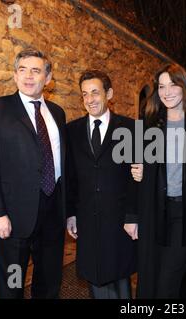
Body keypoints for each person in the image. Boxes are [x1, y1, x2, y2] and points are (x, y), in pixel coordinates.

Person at [0, 48, 66, 299]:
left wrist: (69, 211)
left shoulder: (57, 113)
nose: (28, 76)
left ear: (47, 78)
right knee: (13, 285)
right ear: (14, 76)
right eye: (22, 70)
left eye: (36, 70)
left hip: (53, 214)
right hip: (14, 218)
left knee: (49, 283)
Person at [135, 64, 186, 298]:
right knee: (154, 273)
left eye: (173, 84)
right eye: (161, 86)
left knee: (169, 280)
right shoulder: (148, 122)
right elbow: (136, 165)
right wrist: (139, 171)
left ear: (185, 87)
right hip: (155, 212)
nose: (167, 91)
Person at [65, 70, 141, 299]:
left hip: (119, 219)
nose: (90, 100)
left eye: (95, 93)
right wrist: (71, 213)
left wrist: (133, 216)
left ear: (109, 94)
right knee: (95, 276)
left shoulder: (130, 128)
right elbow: (70, 177)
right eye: (85, 94)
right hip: (87, 218)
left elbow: (136, 178)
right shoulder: (72, 130)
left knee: (120, 277)